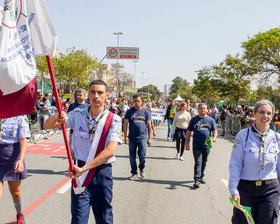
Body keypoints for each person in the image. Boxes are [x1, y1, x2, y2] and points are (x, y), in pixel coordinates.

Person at [44, 80, 122, 224]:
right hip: (79, 173)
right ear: (88, 94)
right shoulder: (77, 114)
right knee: (78, 220)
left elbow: (110, 151)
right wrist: (58, 116)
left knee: (104, 218)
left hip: (101, 175)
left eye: (100, 92)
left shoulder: (114, 120)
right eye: (92, 92)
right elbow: (47, 125)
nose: (96, 96)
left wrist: (84, 169)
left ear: (107, 95)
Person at [228, 100, 280, 224]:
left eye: (269, 113)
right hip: (246, 190)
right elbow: (235, 164)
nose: (265, 116)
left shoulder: (277, 138)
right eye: (261, 112)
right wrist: (234, 190)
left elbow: (279, 167)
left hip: (270, 190)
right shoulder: (243, 135)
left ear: (272, 116)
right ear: (254, 114)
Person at [0, 116, 31, 224]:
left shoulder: (20, 118)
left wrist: (21, 160)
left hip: (12, 157)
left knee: (15, 192)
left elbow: (23, 140)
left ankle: (19, 213)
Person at [185, 103, 217, 189]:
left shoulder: (211, 120)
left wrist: (214, 137)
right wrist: (186, 143)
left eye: (204, 108)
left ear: (207, 110)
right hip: (196, 144)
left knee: (204, 161)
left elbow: (215, 131)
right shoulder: (194, 120)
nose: (202, 110)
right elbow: (188, 132)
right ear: (198, 110)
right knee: (198, 162)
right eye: (201, 108)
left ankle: (202, 176)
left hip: (206, 145)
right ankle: (197, 180)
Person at [123, 94, 152, 181]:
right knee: (132, 157)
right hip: (132, 137)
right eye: (135, 101)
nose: (136, 103)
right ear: (133, 101)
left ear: (141, 101)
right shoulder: (129, 111)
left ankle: (142, 168)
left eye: (138, 101)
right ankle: (134, 173)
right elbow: (125, 124)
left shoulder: (146, 112)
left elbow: (149, 125)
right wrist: (125, 137)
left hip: (142, 137)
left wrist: (149, 138)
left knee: (142, 156)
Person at [67, 88, 90, 161]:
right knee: (71, 147)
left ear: (84, 96)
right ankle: (75, 161)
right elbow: (68, 117)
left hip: (86, 131)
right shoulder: (72, 106)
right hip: (74, 131)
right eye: (77, 95)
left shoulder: (88, 106)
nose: (78, 97)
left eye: (80, 95)